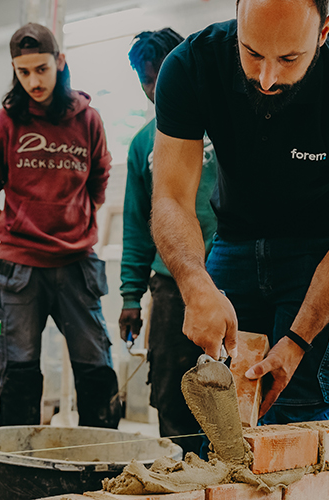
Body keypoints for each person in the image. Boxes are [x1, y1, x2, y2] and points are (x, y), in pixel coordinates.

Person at [151, 0, 329, 424]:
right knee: (215, 415)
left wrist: (298, 341)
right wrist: (194, 282)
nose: (266, 77)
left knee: (292, 416)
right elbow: (170, 198)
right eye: (251, 53)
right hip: (235, 242)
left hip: (321, 254)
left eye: (288, 59)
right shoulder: (191, 66)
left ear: (323, 32)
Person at [0, 23, 121, 429]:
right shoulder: (4, 124)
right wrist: (15, 229)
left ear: (60, 62)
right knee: (18, 376)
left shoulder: (87, 120)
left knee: (97, 373)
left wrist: (78, 220)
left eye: (41, 69)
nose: (34, 81)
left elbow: (100, 180)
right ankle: (18, 476)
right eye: (23, 72)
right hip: (19, 272)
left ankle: (102, 473)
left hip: (77, 265)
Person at [119, 28, 218, 456]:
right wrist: (129, 295)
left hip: (229, 274)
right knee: (170, 387)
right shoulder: (144, 144)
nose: (157, 88)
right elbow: (137, 224)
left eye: (163, 74)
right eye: (147, 80)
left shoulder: (224, 125)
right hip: (170, 284)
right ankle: (184, 476)